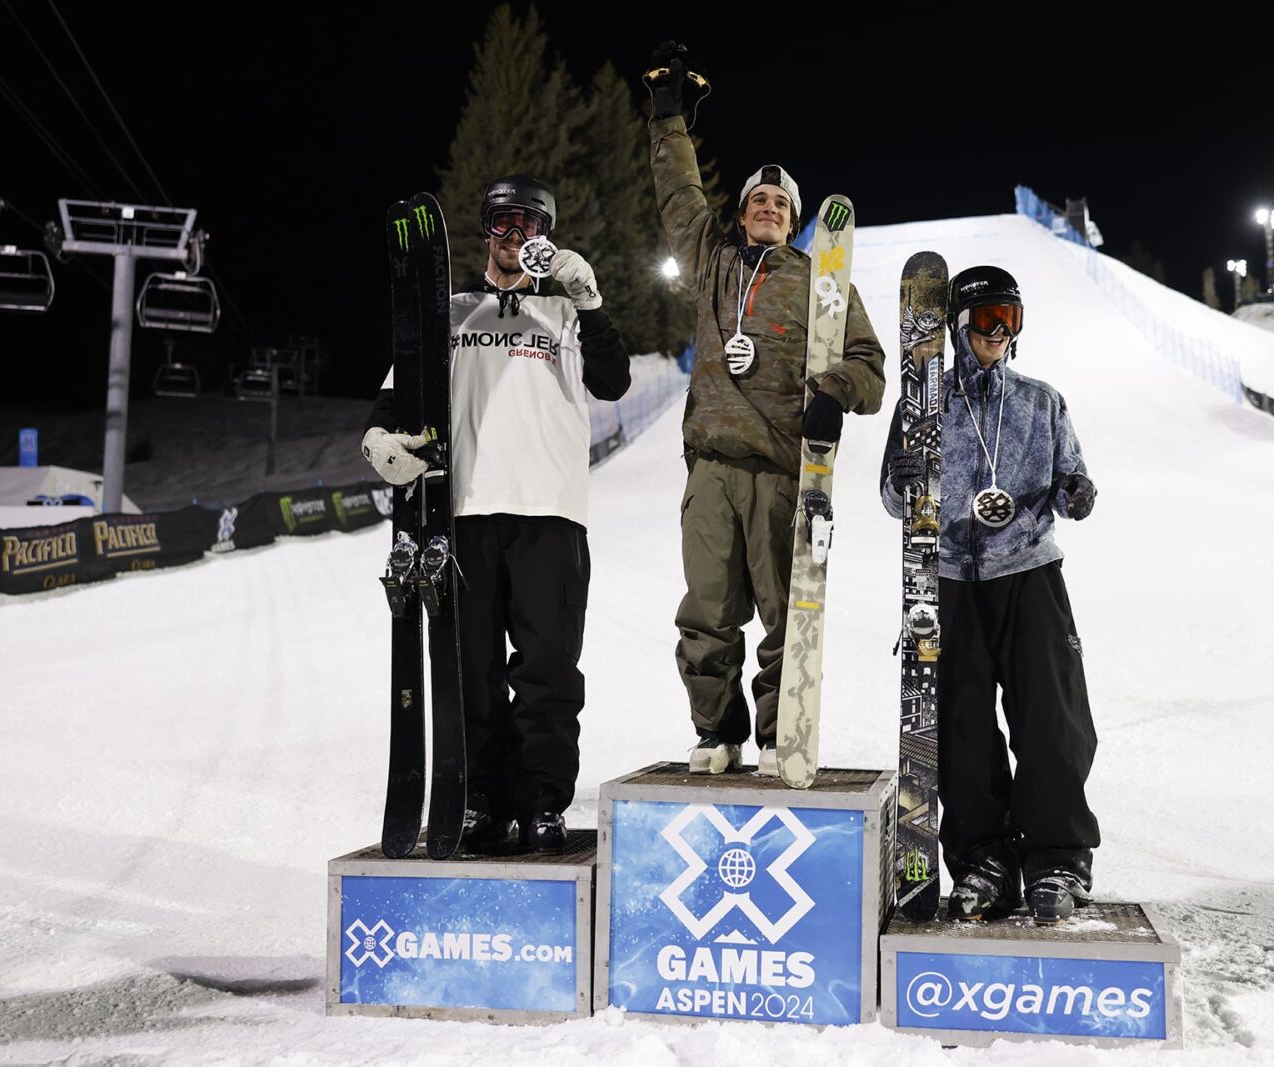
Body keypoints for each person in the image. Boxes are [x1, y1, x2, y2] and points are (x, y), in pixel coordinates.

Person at [360, 175, 631, 853]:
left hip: (552, 514)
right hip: (467, 514)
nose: (515, 237)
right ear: (486, 233)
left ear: (546, 237)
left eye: (530, 225)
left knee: (547, 672)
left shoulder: (567, 313)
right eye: (503, 224)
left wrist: (589, 300)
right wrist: (379, 436)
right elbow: (397, 395)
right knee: (470, 672)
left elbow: (614, 379)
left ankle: (541, 802)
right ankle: (483, 801)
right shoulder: (448, 311)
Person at [645, 41, 886, 777]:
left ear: (796, 219)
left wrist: (835, 394)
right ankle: (718, 732)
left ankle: (784, 733)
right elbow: (680, 197)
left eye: (781, 204)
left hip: (786, 471)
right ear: (743, 212)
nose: (768, 210)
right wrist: (667, 119)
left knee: (789, 619)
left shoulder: (821, 282)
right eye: (757, 200)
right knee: (707, 614)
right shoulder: (714, 261)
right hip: (714, 466)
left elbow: (870, 365)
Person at [880, 265, 1100, 924]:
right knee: (963, 728)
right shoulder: (925, 403)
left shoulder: (1041, 401)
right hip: (948, 577)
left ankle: (1057, 854)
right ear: (958, 324)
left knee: (1053, 719)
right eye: (986, 318)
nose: (998, 331)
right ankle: (985, 857)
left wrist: (1077, 492)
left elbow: (1072, 478)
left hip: (1029, 572)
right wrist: (905, 472)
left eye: (1011, 317)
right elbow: (894, 501)